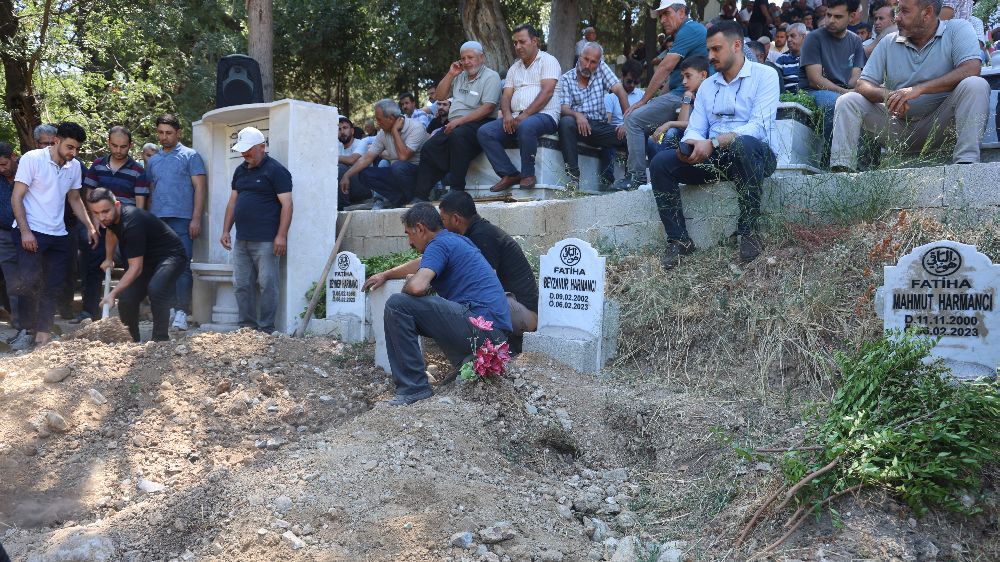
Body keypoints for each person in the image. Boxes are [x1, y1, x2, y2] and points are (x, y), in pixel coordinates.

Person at [648, 21, 778, 268]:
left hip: (755, 154)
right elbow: (696, 127)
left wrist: (714, 142)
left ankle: (749, 231)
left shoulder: (765, 75)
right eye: (709, 50)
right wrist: (689, 146)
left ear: (737, 45)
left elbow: (758, 127)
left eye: (716, 49)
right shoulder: (708, 85)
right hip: (714, 156)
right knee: (661, 163)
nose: (710, 56)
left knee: (744, 145)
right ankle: (679, 241)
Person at [361, 203, 511, 406]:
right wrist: (385, 274)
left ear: (421, 228)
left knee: (398, 304)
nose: (409, 242)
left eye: (409, 234)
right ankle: (464, 365)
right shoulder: (456, 241)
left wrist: (409, 283)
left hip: (481, 330)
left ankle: (413, 389)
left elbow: (417, 287)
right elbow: (421, 262)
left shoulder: (438, 245)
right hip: (495, 337)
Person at [830, 0, 989, 171]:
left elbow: (971, 68)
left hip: (943, 127)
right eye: (898, 11)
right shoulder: (888, 41)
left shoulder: (958, 29)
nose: (897, 18)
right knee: (848, 101)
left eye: (904, 11)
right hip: (898, 127)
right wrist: (890, 96)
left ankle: (966, 165)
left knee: (975, 84)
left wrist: (917, 90)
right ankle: (841, 172)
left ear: (927, 13)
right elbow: (862, 84)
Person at [10, 122, 99, 349]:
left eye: (77, 149)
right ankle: (25, 331)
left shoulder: (75, 166)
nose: (73, 153)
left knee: (53, 285)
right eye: (70, 147)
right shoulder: (32, 159)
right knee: (29, 283)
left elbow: (75, 199)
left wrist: (89, 226)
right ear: (57, 140)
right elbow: (17, 197)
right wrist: (25, 231)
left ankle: (43, 335)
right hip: (31, 231)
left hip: (59, 233)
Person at [617, 1, 709, 191]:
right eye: (660, 16)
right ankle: (657, 178)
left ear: (682, 12)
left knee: (633, 120)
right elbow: (672, 79)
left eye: (666, 14)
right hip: (680, 93)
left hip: (688, 97)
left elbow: (665, 67)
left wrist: (642, 101)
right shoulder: (683, 34)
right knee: (642, 124)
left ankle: (637, 178)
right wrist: (651, 103)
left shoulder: (689, 29)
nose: (663, 20)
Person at [439, 191, 537, 349]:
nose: (442, 225)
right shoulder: (476, 233)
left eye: (443, 219)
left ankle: (496, 348)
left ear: (456, 219)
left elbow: (483, 285)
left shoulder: (482, 236)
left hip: (523, 315)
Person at [87, 188, 187, 342]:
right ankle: (132, 342)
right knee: (127, 299)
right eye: (96, 213)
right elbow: (111, 233)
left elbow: (136, 267)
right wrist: (108, 258)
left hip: (171, 255)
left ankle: (160, 341)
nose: (102, 217)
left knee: (156, 288)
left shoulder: (132, 222)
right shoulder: (111, 219)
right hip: (148, 259)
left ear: (117, 205)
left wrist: (112, 294)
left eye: (105, 211)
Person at [220, 127, 293, 334]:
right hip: (242, 239)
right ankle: (246, 327)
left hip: (267, 240)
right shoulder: (240, 170)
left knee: (268, 285)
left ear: (262, 147)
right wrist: (226, 230)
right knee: (241, 284)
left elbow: (287, 205)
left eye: (249, 150)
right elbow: (232, 203)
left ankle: (266, 328)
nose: (244, 154)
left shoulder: (276, 171)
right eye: (242, 150)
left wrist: (281, 235)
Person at [76, 126, 150, 322]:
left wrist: (137, 229)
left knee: (132, 267)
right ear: (108, 143)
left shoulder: (138, 171)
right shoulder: (97, 165)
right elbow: (88, 194)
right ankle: (89, 312)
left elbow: (141, 203)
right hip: (100, 226)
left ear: (130, 146)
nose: (118, 150)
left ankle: (131, 311)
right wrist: (93, 223)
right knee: (93, 267)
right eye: (114, 146)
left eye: (123, 147)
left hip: (127, 228)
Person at [477, 24, 562, 192]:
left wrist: (525, 115)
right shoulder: (514, 68)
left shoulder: (548, 61)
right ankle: (509, 173)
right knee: (485, 132)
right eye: (515, 43)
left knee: (526, 125)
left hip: (545, 115)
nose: (517, 46)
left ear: (535, 41)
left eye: (522, 42)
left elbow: (547, 92)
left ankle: (528, 174)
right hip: (516, 117)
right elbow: (506, 95)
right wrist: (507, 115)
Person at [414, 41, 502, 200]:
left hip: (481, 123)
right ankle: (421, 195)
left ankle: (456, 189)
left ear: (481, 57)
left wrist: (458, 122)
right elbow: (440, 96)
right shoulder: (459, 76)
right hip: (455, 124)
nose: (466, 62)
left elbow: (488, 108)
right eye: (463, 58)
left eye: (471, 57)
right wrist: (450, 74)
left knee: (458, 136)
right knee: (429, 147)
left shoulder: (491, 76)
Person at [146, 113, 207, 331]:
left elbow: (200, 188)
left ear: (178, 133)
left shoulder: (191, 156)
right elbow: (151, 191)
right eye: (161, 133)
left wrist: (196, 218)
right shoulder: (152, 161)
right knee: (163, 267)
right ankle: (169, 309)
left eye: (169, 133)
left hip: (183, 219)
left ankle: (182, 312)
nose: (164, 137)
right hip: (158, 221)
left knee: (182, 266)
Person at [556, 42, 629, 186]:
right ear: (579, 57)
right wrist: (577, 115)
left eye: (593, 62)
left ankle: (631, 179)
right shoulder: (566, 78)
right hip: (578, 126)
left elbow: (620, 91)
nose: (588, 65)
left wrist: (627, 122)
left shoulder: (601, 69)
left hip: (599, 127)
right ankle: (574, 177)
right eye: (585, 59)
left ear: (599, 62)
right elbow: (564, 108)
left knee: (634, 132)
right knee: (565, 122)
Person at [340, 99, 428, 210]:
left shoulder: (416, 128)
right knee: (363, 173)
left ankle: (414, 199)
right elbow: (367, 158)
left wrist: (395, 131)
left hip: (418, 177)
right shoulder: (383, 133)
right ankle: (399, 200)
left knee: (398, 166)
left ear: (391, 118)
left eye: (379, 119)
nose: (377, 123)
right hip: (398, 174)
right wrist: (346, 175)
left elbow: (403, 157)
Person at [800, 0, 866, 141]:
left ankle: (863, 160)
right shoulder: (814, 37)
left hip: (844, 91)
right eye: (828, 15)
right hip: (815, 92)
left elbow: (854, 78)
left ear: (852, 16)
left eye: (838, 16)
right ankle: (829, 158)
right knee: (835, 103)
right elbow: (814, 80)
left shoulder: (856, 41)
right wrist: (846, 93)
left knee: (870, 105)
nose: (830, 20)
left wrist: (860, 91)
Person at [646, 56, 710, 160]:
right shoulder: (691, 94)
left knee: (671, 133)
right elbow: (682, 122)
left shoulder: (709, 94)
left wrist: (669, 124)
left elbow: (701, 124)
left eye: (688, 76)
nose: (684, 82)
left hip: (707, 138)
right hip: (688, 134)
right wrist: (687, 97)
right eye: (683, 77)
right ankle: (658, 171)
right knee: (653, 140)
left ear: (703, 75)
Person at [0, 143, 20, 333]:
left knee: (34, 276)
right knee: (12, 279)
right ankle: (18, 319)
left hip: (31, 232)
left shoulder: (29, 169)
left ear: (13, 156)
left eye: (4, 164)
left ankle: (36, 319)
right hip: (4, 234)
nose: (2, 169)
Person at [338, 116, 372, 210]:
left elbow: (351, 160)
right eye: (339, 129)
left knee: (340, 168)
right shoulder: (338, 146)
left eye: (345, 128)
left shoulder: (361, 143)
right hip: (347, 186)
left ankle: (342, 207)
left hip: (364, 186)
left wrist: (333, 158)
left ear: (352, 131)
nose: (342, 132)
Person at [776, 23, 809, 92]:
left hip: (810, 96)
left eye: (792, 36)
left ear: (804, 37)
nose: (788, 40)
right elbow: (776, 84)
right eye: (787, 37)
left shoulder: (813, 57)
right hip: (788, 99)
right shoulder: (782, 59)